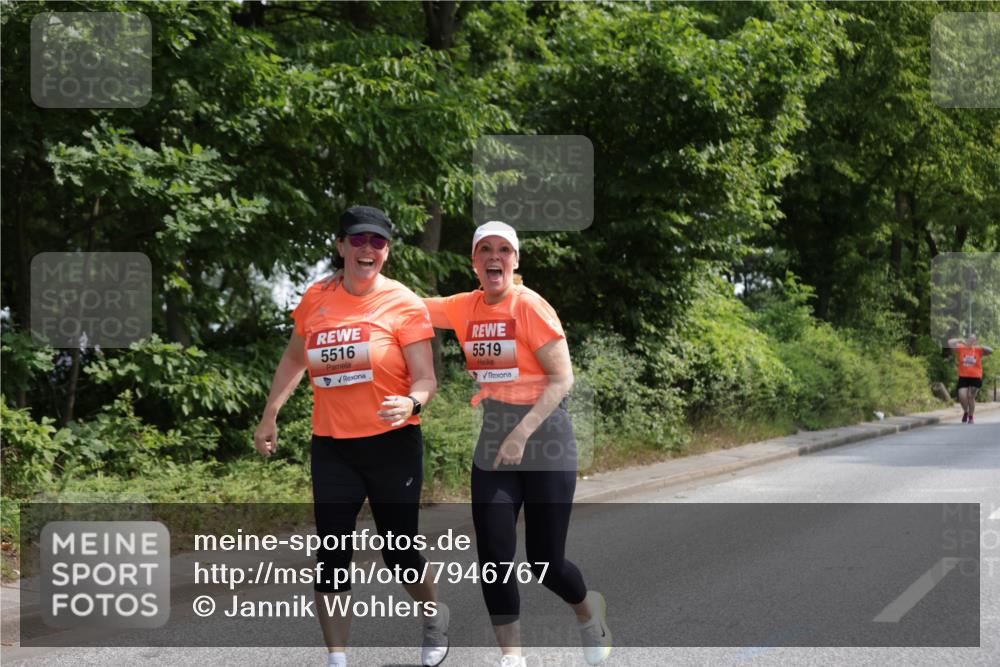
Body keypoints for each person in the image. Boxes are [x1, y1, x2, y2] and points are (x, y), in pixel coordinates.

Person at [253, 206, 449, 667]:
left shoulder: (403, 303)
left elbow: (426, 378)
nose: (367, 249)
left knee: (399, 551)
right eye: (357, 240)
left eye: (377, 242)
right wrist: (270, 414)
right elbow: (294, 359)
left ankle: (432, 615)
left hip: (392, 445)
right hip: (333, 447)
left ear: (387, 252)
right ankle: (337, 659)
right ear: (340, 246)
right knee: (332, 552)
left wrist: (413, 402)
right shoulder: (317, 299)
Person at [424, 221, 612, 667]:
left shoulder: (529, 307)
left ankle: (589, 614)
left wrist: (522, 433)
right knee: (493, 555)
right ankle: (513, 657)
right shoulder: (462, 307)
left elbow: (562, 378)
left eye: (504, 250)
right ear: (474, 261)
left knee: (545, 563)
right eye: (485, 249)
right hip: (495, 434)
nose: (495, 257)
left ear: (516, 259)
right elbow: (404, 307)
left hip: (545, 435)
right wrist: (359, 276)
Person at [947, 333, 993, 424]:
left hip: (976, 377)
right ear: (967, 340)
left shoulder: (978, 350)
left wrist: (980, 345)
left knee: (970, 397)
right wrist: (960, 340)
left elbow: (991, 351)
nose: (970, 341)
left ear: (975, 341)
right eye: (969, 339)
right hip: (963, 376)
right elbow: (950, 343)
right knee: (962, 396)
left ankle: (971, 416)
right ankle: (966, 412)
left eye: (973, 340)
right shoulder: (961, 348)